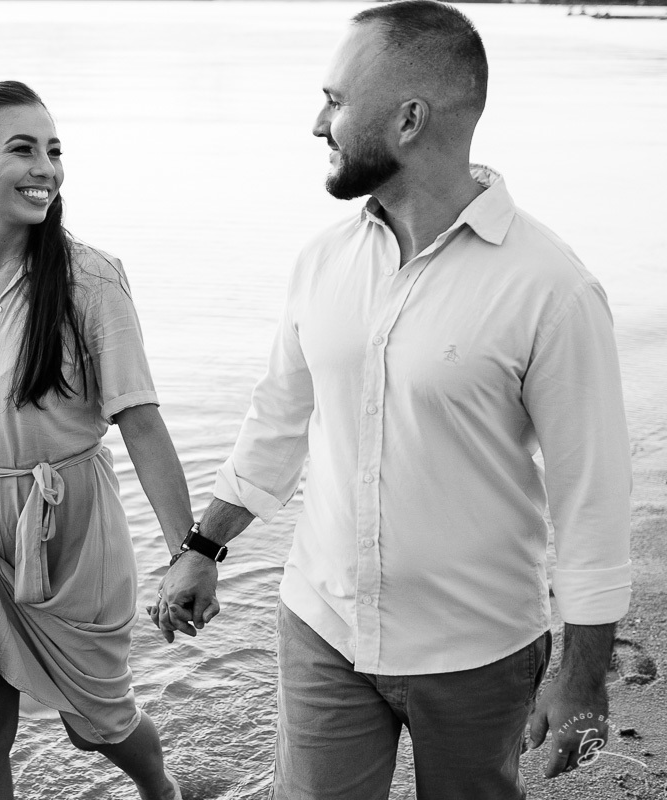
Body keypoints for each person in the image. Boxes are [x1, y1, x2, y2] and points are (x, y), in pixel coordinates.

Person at [152, 2, 631, 798]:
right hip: (322, 628)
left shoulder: (552, 288)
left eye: (336, 101)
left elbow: (592, 498)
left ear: (409, 119)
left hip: (478, 651)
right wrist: (204, 548)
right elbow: (277, 421)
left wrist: (583, 676)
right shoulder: (321, 261)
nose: (317, 122)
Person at [0, 81, 189, 800]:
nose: (47, 169)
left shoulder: (91, 280)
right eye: (23, 149)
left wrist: (189, 554)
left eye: (54, 152)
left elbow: (141, 420)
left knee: (95, 724)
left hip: (73, 529)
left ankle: (165, 792)